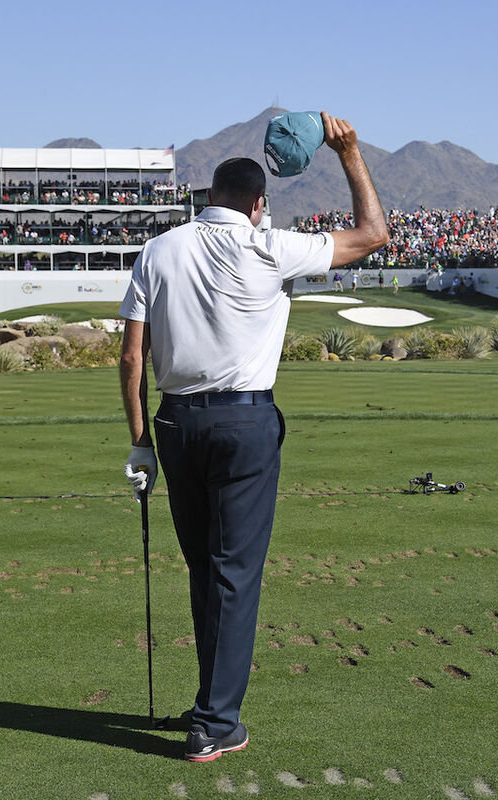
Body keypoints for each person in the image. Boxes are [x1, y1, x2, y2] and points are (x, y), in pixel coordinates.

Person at [118, 111, 388, 763]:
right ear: (259, 206)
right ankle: (215, 722)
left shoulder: (159, 249)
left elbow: (131, 357)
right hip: (244, 421)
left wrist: (138, 443)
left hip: (175, 423)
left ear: (210, 197)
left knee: (204, 569)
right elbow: (374, 234)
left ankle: (210, 701)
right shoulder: (273, 246)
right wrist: (348, 152)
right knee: (234, 572)